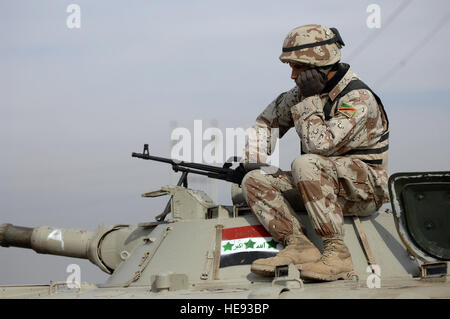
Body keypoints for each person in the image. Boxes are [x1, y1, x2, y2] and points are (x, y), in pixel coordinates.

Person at [241, 24, 389, 281]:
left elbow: (320, 146)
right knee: (254, 181)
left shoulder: (358, 99)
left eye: (298, 67)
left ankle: (337, 254)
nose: (292, 75)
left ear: (319, 66)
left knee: (305, 163)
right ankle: (298, 245)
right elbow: (267, 122)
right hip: (320, 186)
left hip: (363, 192)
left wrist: (309, 101)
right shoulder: (301, 92)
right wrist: (255, 158)